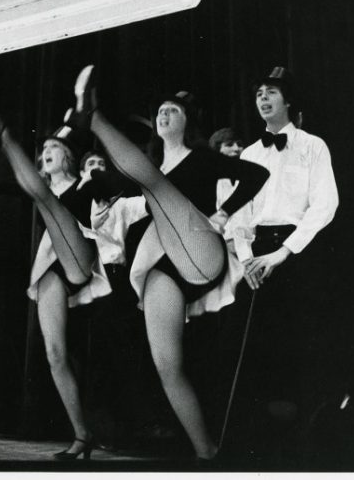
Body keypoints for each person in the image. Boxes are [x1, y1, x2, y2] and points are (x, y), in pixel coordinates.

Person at [69, 66, 269, 461]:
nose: (163, 115)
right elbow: (108, 187)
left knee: (154, 184)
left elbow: (256, 174)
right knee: (167, 367)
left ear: (187, 121)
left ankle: (92, 118)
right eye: (160, 110)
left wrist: (224, 213)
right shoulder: (147, 170)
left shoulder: (202, 159)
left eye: (173, 111)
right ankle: (206, 452)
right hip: (165, 268)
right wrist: (91, 187)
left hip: (201, 251)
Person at [0, 93, 116, 460]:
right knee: (55, 354)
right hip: (51, 267)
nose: (49, 151)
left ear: (68, 155)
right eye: (46, 147)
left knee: (43, 197)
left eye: (56, 146)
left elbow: (109, 190)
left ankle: (3, 135)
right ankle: (81, 435)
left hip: (81, 256)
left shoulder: (84, 183)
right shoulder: (38, 187)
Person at [224, 66, 338, 462]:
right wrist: (246, 261)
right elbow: (239, 213)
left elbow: (325, 205)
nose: (263, 99)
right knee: (257, 350)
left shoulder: (313, 146)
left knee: (303, 343)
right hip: (255, 255)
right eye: (258, 94)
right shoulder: (251, 153)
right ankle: (258, 446)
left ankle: (306, 445)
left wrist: (283, 252)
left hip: (296, 251)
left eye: (271, 92)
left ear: (287, 101)